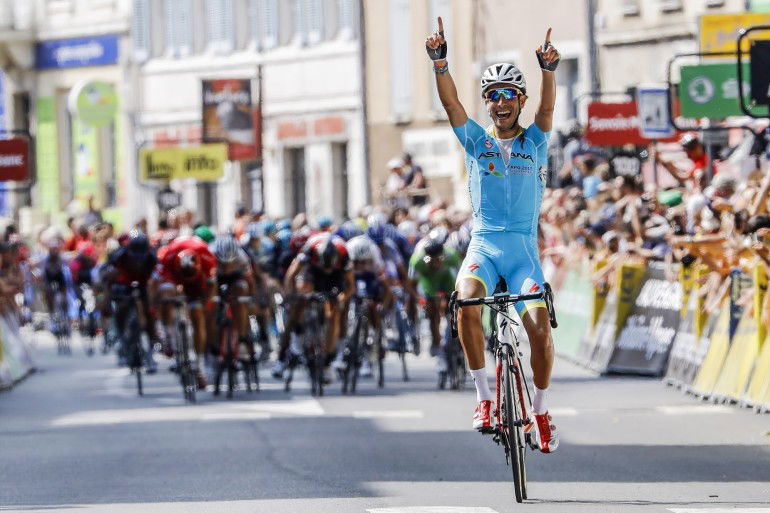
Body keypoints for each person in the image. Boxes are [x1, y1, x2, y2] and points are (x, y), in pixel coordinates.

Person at [426, 17, 560, 452]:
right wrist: (441, 64)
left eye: (508, 95)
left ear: (519, 100)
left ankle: (539, 411)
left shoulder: (535, 141)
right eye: (492, 96)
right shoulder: (475, 141)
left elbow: (546, 110)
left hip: (522, 250)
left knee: (539, 331)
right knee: (465, 302)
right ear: (487, 104)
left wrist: (548, 72)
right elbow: (451, 107)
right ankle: (484, 397)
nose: (500, 102)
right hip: (484, 244)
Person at [272, 233, 354, 380]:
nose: (326, 270)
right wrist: (290, 297)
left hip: (336, 277)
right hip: (313, 272)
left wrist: (341, 298)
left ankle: (328, 360)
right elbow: (291, 275)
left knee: (335, 311)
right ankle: (285, 354)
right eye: (325, 267)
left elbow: (350, 286)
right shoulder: (309, 250)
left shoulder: (343, 254)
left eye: (329, 267)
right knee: (300, 299)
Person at [155, 236, 217, 388]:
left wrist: (204, 303)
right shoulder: (168, 256)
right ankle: (168, 334)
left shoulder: (206, 256)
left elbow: (212, 285)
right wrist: (159, 304)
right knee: (166, 293)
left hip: (198, 284)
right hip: (175, 280)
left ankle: (199, 366)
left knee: (198, 316)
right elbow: (156, 283)